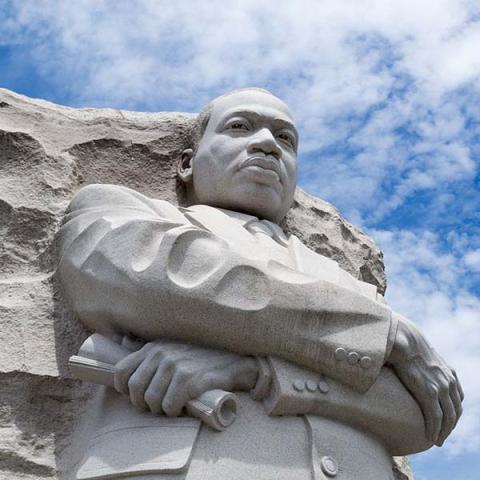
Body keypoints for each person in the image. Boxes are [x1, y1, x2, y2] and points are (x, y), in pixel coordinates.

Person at [58, 88, 463, 480]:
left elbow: (423, 415)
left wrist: (255, 372)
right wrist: (385, 334)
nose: (268, 143)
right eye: (239, 126)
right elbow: (152, 277)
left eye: (285, 138)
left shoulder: (350, 286)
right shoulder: (120, 209)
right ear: (186, 162)